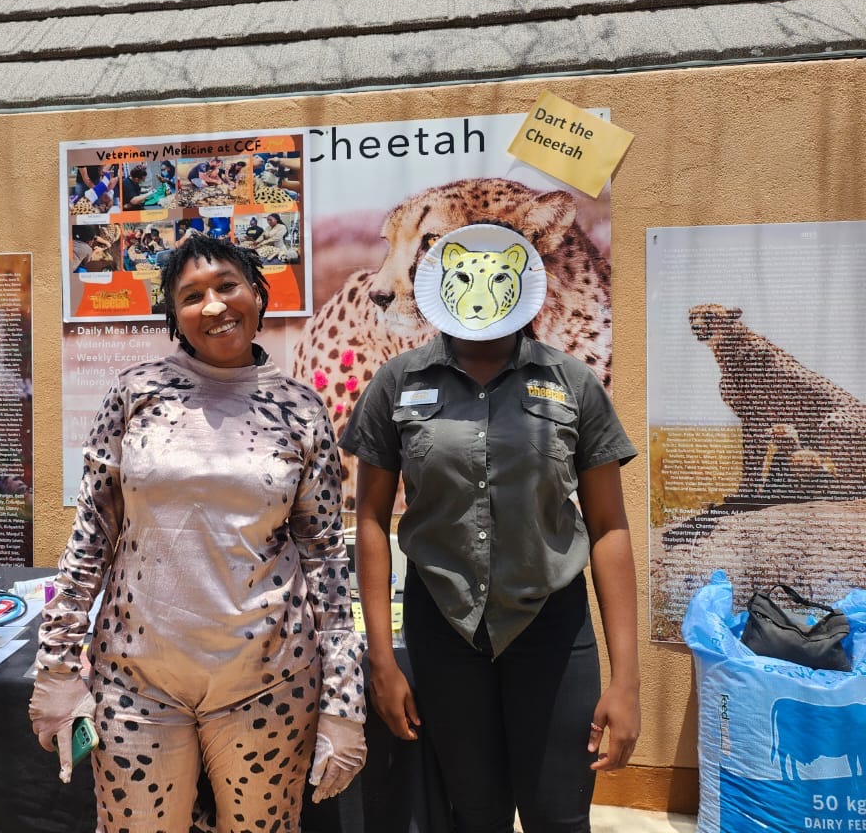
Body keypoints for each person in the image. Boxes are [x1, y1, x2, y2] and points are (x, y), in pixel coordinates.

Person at [31, 235, 367, 831]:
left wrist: (345, 700)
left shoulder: (300, 408)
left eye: (227, 286)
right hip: (136, 679)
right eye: (191, 296)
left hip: (270, 680)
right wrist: (56, 666)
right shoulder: (135, 394)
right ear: (174, 315)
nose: (213, 306)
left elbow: (326, 559)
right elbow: (91, 537)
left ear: (257, 294)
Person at [339, 223, 640, 833]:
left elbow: (609, 526)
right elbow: (369, 519)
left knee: (559, 818)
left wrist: (627, 679)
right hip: (443, 629)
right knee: (474, 818)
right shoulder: (398, 383)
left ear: (524, 281)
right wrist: (382, 661)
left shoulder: (572, 383)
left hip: (551, 627)